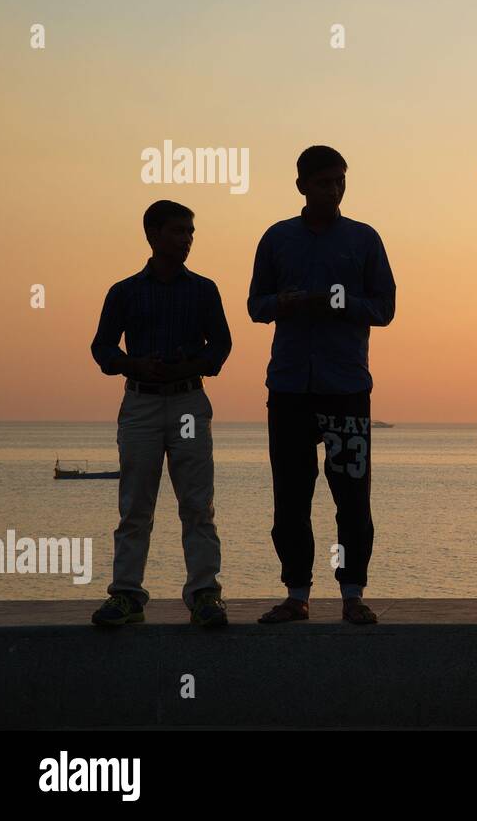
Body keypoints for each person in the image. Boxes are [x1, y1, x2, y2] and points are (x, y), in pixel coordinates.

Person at [248, 145, 396, 625]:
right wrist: (283, 303)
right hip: (290, 389)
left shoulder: (365, 239)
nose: (334, 189)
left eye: (340, 181)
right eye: (324, 182)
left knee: (352, 497)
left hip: (345, 389)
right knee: (290, 498)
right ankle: (297, 595)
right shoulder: (276, 239)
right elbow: (255, 305)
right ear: (302, 186)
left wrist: (341, 302)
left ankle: (352, 595)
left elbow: (385, 309)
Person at [89, 200, 232, 627]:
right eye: (177, 231)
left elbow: (221, 347)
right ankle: (128, 594)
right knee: (135, 503)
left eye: (190, 231)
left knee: (196, 502)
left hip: (187, 400)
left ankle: (205, 593)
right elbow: (102, 348)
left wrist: (187, 365)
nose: (186, 239)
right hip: (142, 401)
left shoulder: (203, 290)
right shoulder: (125, 291)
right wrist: (135, 366)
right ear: (152, 236)